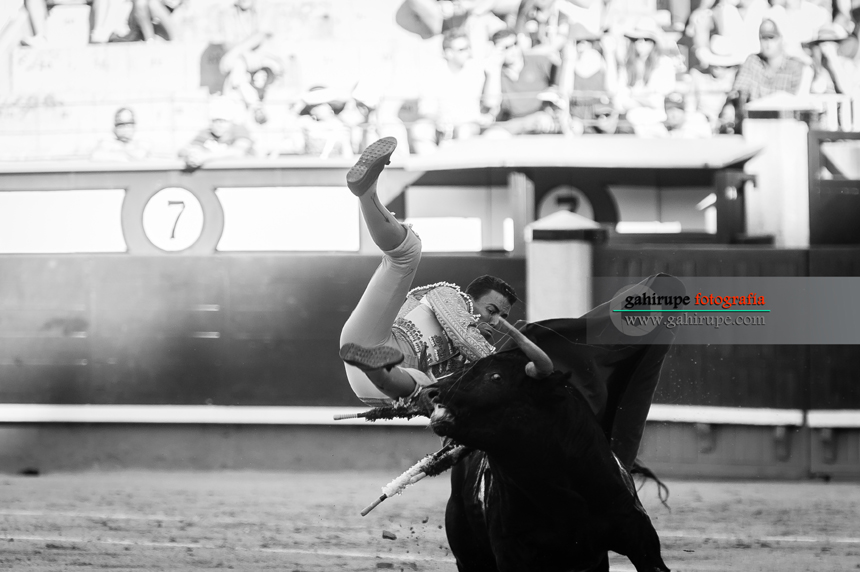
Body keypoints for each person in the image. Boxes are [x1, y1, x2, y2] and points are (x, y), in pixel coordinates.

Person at [338, 137, 553, 406]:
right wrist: (504, 370)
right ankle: (366, 190)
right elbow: (465, 337)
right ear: (470, 298)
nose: (496, 322)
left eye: (503, 316)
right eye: (492, 310)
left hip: (392, 382)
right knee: (407, 251)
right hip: (372, 343)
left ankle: (380, 370)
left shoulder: (470, 363)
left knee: (428, 388)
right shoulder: (450, 296)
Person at [482, 27, 560, 135]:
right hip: (512, 124)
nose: (513, 49)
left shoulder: (538, 61)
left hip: (542, 120)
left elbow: (560, 87)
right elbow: (491, 102)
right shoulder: (496, 72)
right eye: (506, 47)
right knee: (491, 135)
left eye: (515, 43)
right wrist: (495, 68)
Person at [731, 16, 812, 103]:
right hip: (754, 111)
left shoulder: (794, 66)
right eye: (764, 38)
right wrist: (737, 99)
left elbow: (797, 101)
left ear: (781, 39)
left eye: (771, 38)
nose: (768, 43)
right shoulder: (753, 61)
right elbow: (739, 91)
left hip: (784, 110)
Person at [178, 97, 253, 169]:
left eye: (223, 121)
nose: (219, 125)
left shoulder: (239, 130)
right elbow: (184, 150)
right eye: (216, 121)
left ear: (231, 122)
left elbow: (238, 151)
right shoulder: (207, 133)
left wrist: (205, 157)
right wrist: (192, 155)